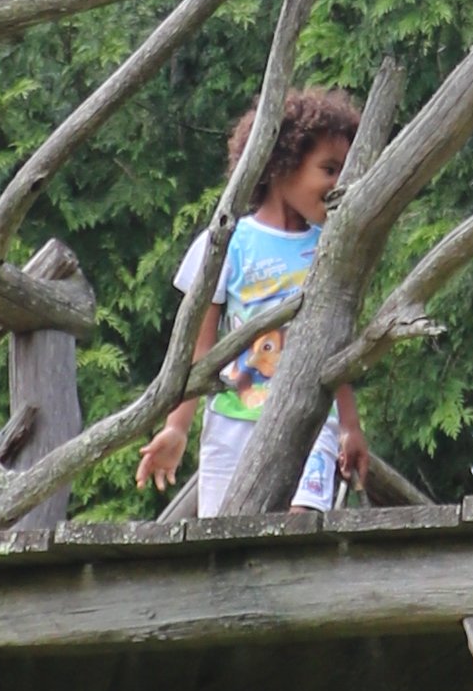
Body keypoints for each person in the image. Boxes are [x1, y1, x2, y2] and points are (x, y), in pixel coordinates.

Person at [139, 90, 368, 522]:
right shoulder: (228, 243)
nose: (340, 183)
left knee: (300, 523)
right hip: (232, 422)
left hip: (309, 421)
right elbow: (199, 352)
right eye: (328, 168)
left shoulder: (331, 250)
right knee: (225, 538)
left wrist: (350, 426)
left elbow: (334, 348)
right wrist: (176, 427)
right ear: (280, 164)